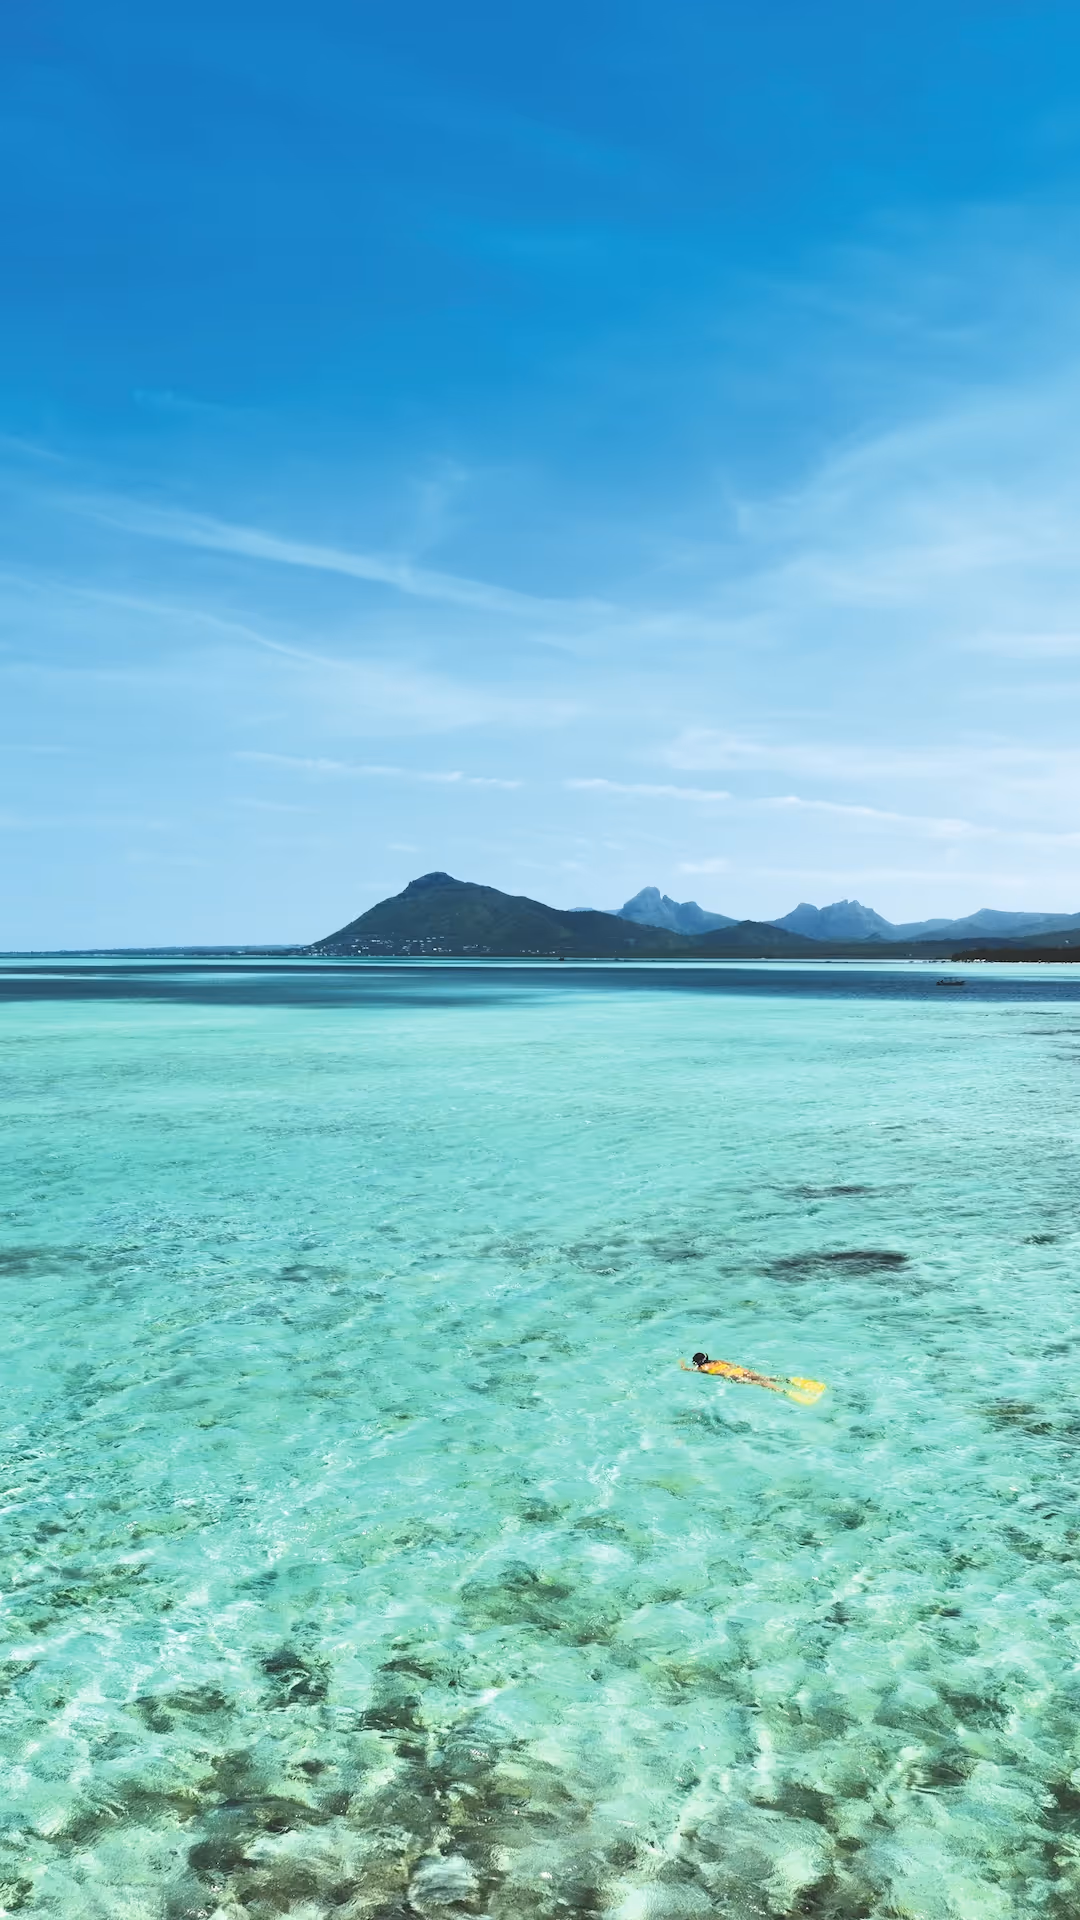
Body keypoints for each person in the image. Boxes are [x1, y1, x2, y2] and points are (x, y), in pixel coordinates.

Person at [681, 1351, 825, 1405]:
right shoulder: (716, 1361)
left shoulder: (702, 1368)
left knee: (762, 1384)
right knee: (765, 1377)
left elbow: (691, 1369)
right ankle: (789, 1382)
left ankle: (785, 1392)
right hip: (738, 1369)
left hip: (734, 1376)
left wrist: (682, 1366)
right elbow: (731, 1363)